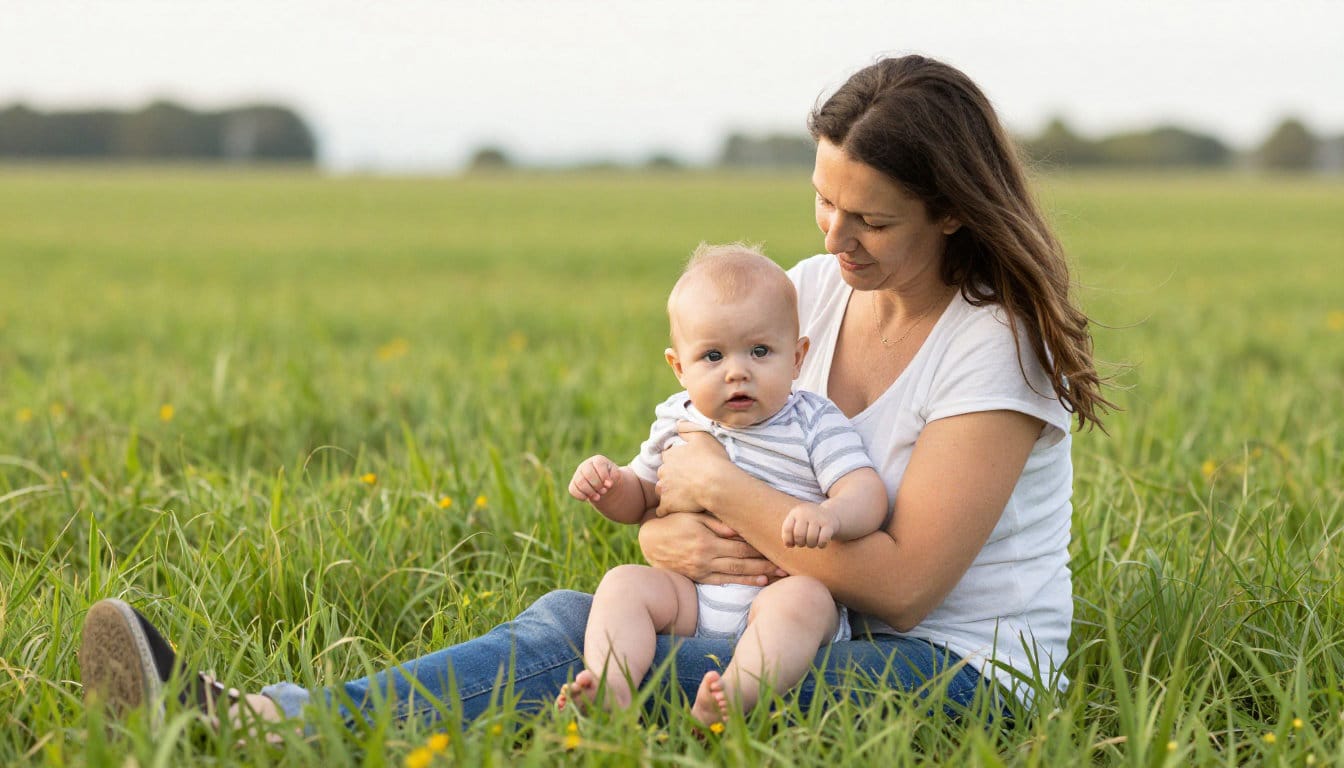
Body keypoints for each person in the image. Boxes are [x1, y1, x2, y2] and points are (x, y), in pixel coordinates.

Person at [79, 54, 1112, 732]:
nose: (833, 242)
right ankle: (263, 718)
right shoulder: (802, 298)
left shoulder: (995, 347)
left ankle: (261, 728)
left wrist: (720, 491)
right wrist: (668, 529)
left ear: (953, 215)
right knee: (576, 616)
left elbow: (902, 588)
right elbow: (676, 495)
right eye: (822, 202)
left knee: (599, 666)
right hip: (793, 617)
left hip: (957, 679)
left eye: (870, 223)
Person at [555, 243, 888, 726]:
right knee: (622, 584)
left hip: (779, 592)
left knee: (805, 601)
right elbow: (643, 499)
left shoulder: (813, 421)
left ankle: (736, 694)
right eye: (712, 356)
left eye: (759, 351)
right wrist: (611, 487)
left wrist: (832, 514)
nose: (738, 371)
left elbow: (866, 491)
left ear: (797, 358)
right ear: (679, 368)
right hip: (692, 599)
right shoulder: (676, 419)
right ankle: (614, 686)